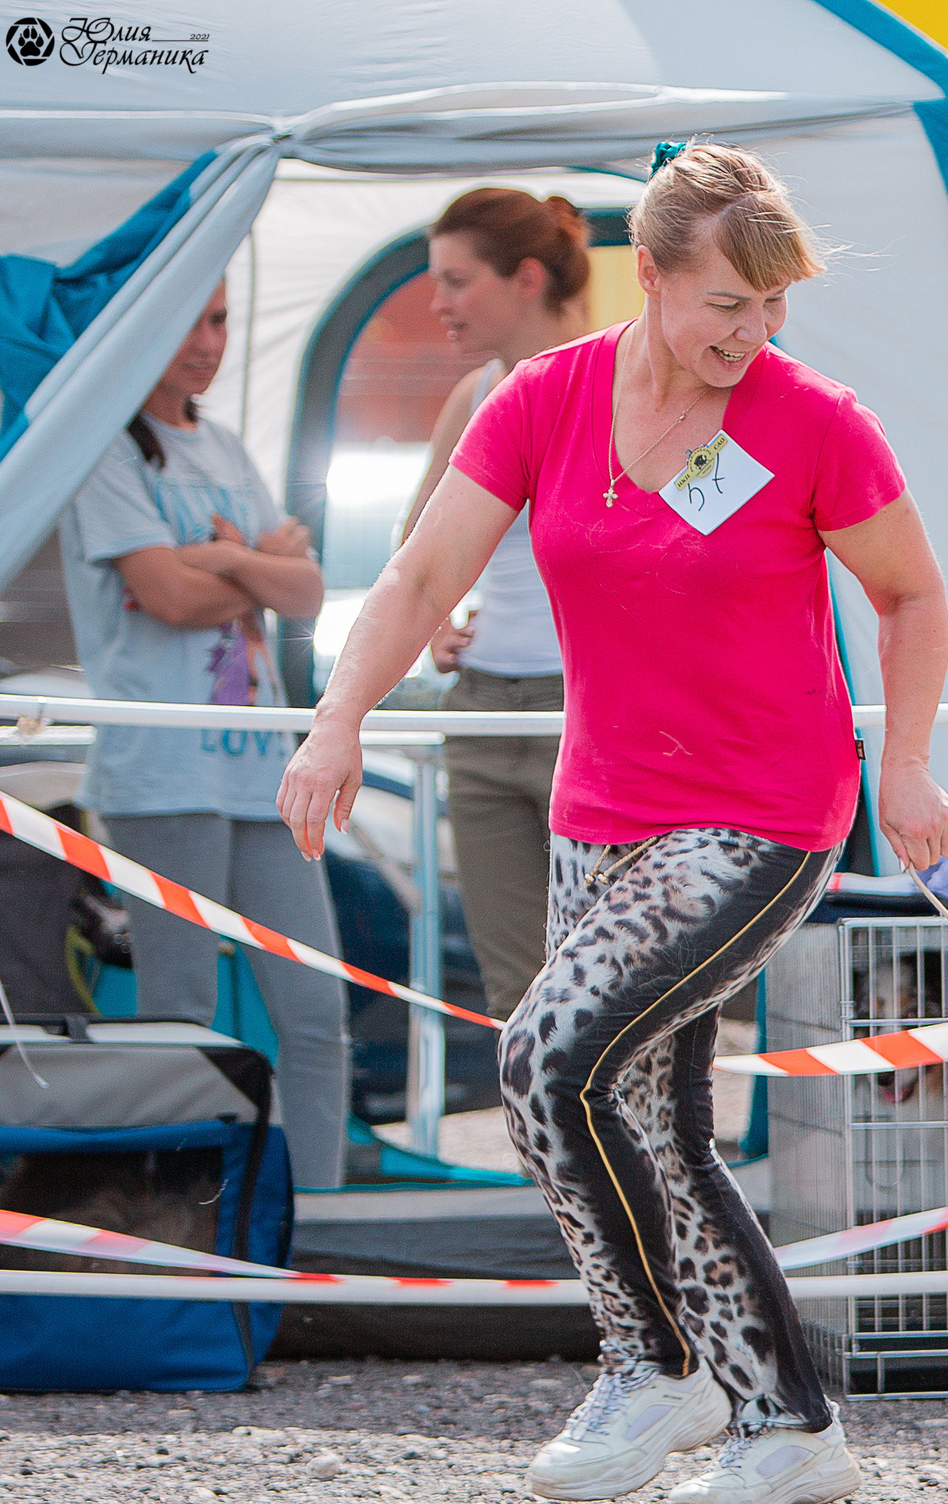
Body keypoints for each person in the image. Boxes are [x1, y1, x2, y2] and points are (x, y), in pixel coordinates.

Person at [278, 141, 948, 1504]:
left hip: (767, 807)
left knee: (545, 1051)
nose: (751, 333)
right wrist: (338, 714)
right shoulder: (542, 401)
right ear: (647, 278)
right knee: (653, 1122)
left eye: (773, 305)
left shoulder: (814, 419)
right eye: (726, 302)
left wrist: (904, 763)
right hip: (603, 807)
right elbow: (422, 572)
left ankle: (652, 1363)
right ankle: (790, 1424)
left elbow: (912, 596)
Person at [63, 282, 349, 1190]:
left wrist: (224, 560)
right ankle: (184, 1225)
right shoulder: (105, 451)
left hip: (266, 767)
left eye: (221, 318)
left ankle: (321, 1220)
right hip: (163, 770)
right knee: (179, 1011)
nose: (207, 340)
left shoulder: (222, 445)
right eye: (188, 316)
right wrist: (254, 562)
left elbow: (306, 593)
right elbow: (170, 599)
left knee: (313, 1010)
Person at [403, 188, 590, 1020]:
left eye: (454, 281)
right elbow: (418, 553)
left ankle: (632, 1157)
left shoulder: (624, 383)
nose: (437, 304)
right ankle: (546, 1160)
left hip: (590, 715)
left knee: (606, 994)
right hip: (481, 718)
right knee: (521, 1005)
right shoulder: (474, 395)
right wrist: (437, 624)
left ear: (525, 278)